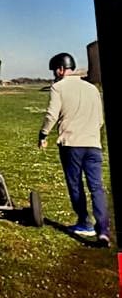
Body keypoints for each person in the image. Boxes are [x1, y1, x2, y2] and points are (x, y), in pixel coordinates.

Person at [39, 51, 110, 247]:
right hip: (94, 144)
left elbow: (51, 115)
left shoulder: (58, 87)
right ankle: (103, 230)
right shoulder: (92, 88)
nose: (55, 74)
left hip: (72, 144)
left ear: (61, 69)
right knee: (96, 187)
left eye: (55, 70)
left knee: (75, 184)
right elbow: (100, 120)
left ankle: (84, 223)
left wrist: (44, 134)